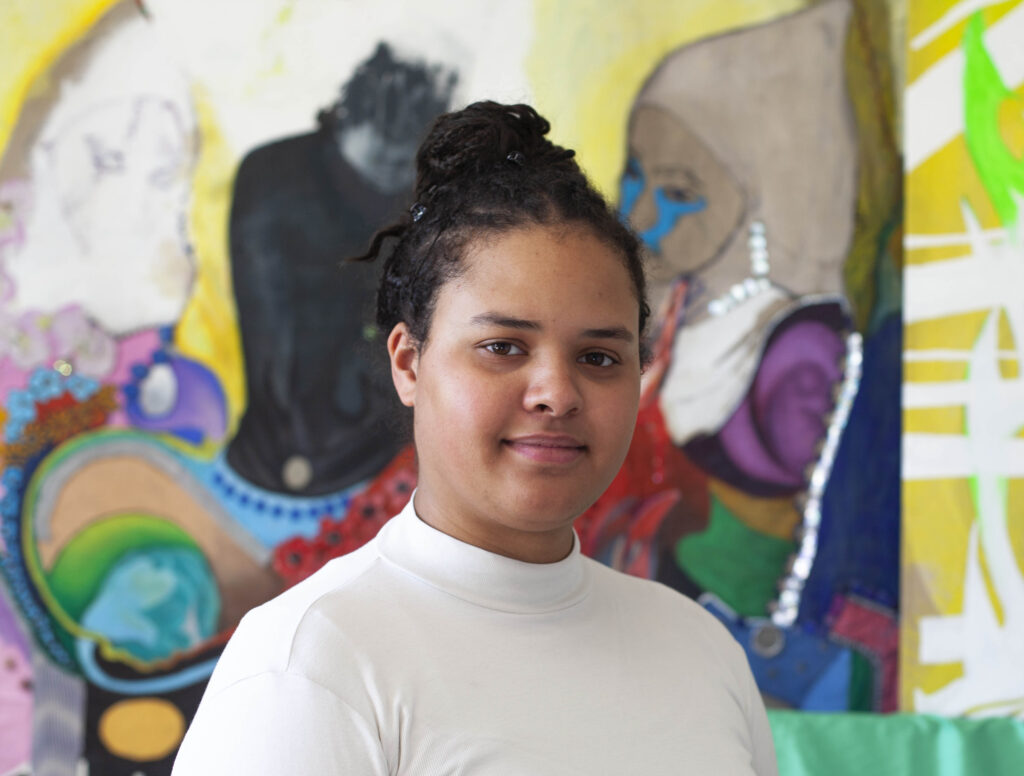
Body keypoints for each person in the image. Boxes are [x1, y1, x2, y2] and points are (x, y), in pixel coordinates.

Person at [172, 101, 778, 775]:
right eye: (502, 347)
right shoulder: (310, 667)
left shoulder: (701, 652)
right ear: (409, 363)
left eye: (599, 357)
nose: (556, 393)